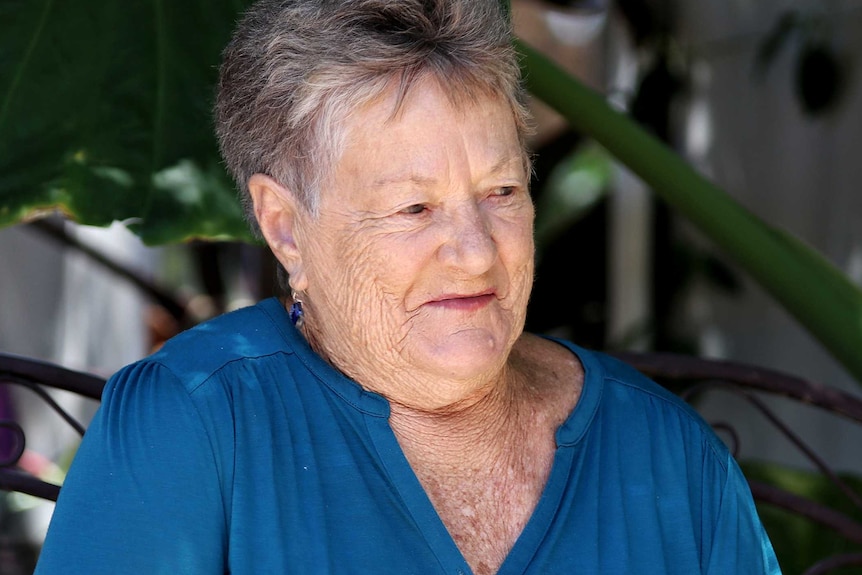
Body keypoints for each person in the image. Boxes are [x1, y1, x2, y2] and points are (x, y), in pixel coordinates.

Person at [34, 0, 782, 573]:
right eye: (413, 207)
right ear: (286, 227)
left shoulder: (666, 456)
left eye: (500, 192)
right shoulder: (193, 426)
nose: (473, 252)